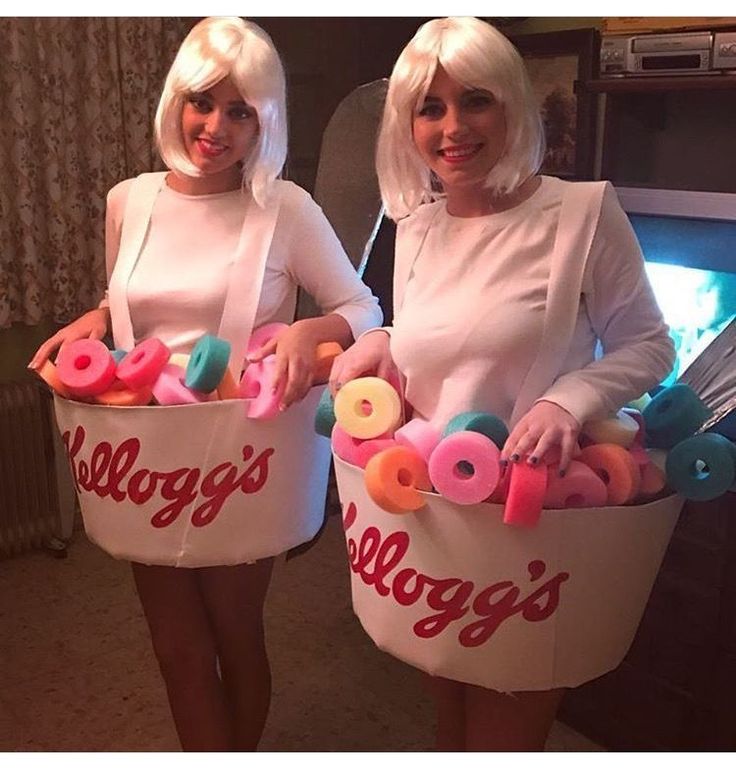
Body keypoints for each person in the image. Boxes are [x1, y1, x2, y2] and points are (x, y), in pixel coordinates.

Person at [29, 16, 381, 752]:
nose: (214, 125)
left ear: (265, 123)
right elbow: (134, 301)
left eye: (241, 110)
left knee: (234, 635)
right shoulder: (130, 200)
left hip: (241, 456)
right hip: (146, 457)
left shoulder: (284, 208)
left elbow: (361, 307)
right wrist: (95, 318)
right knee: (175, 649)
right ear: (175, 101)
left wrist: (306, 331)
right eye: (202, 101)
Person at [329, 16, 675, 752]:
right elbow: (439, 339)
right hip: (436, 516)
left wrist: (567, 399)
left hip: (538, 520)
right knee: (449, 716)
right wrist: (383, 341)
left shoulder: (583, 214)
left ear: (513, 104)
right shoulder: (417, 228)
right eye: (430, 107)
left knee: (503, 740)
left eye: (475, 100)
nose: (453, 127)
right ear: (407, 125)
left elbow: (651, 346)